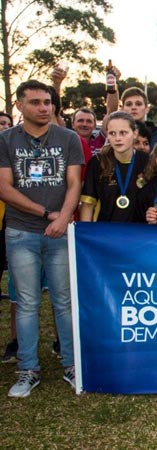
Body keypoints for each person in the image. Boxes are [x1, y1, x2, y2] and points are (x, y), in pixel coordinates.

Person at [0, 79, 84, 397]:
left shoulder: (68, 138)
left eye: (48, 102)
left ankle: (72, 365)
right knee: (26, 303)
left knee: (64, 302)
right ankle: (27, 370)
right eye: (35, 102)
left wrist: (63, 217)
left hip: (61, 231)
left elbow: (74, 182)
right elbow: (5, 188)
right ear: (19, 106)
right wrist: (46, 214)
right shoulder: (6, 140)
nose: (44, 108)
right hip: (22, 231)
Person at [80, 111, 149, 223]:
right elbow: (88, 204)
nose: (117, 138)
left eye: (123, 133)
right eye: (112, 133)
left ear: (135, 133)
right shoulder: (97, 162)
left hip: (140, 234)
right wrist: (86, 235)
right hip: (106, 233)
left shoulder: (147, 161)